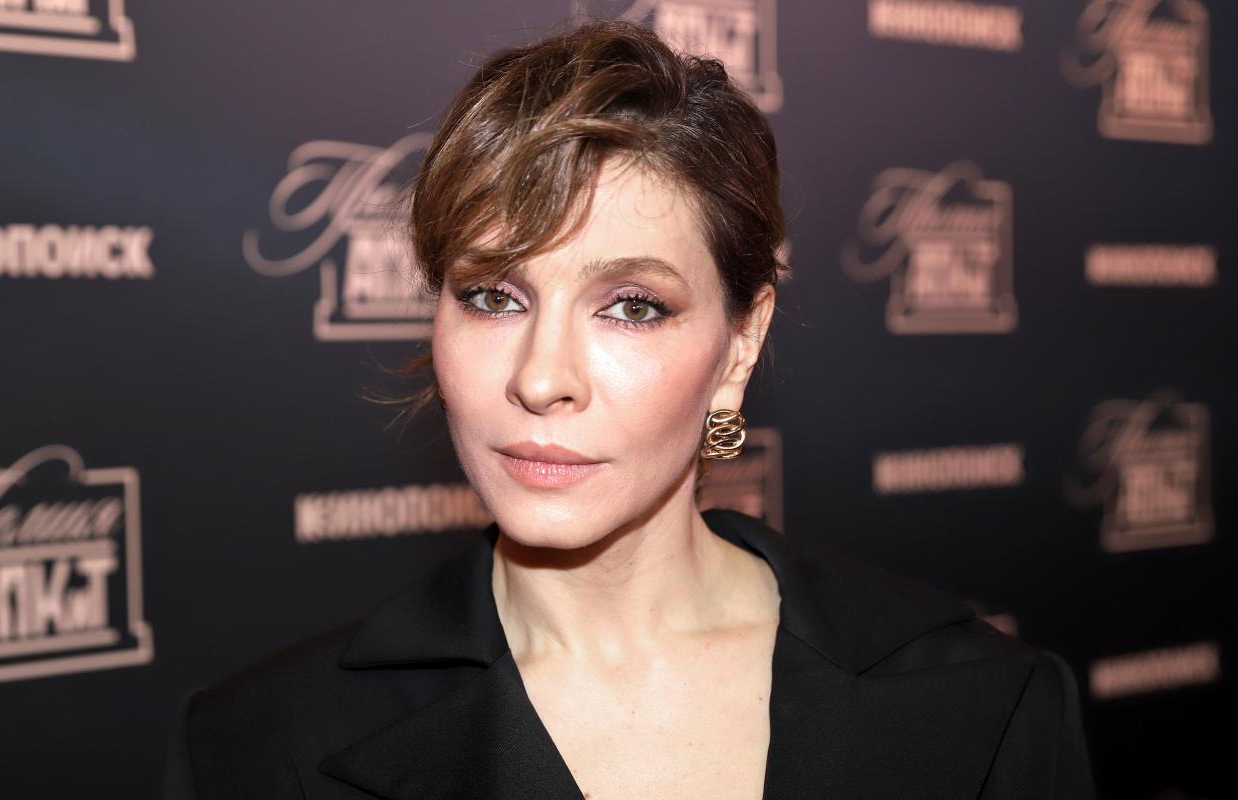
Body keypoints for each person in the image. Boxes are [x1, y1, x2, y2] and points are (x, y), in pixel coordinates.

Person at [162, 18, 1096, 799]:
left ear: (740, 343)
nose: (542, 378)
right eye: (492, 296)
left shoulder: (987, 709)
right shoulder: (257, 750)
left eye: (632, 307)